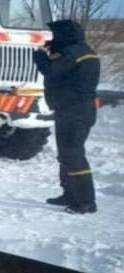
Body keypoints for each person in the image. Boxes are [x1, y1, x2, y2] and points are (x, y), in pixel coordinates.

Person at [34, 19, 100, 215]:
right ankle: (70, 194)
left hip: (76, 111)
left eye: (56, 36)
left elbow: (51, 71)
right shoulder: (80, 50)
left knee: (73, 154)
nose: (54, 39)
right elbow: (64, 67)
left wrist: (39, 55)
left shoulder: (75, 53)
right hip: (71, 110)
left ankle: (87, 201)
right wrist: (53, 48)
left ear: (65, 35)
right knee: (66, 154)